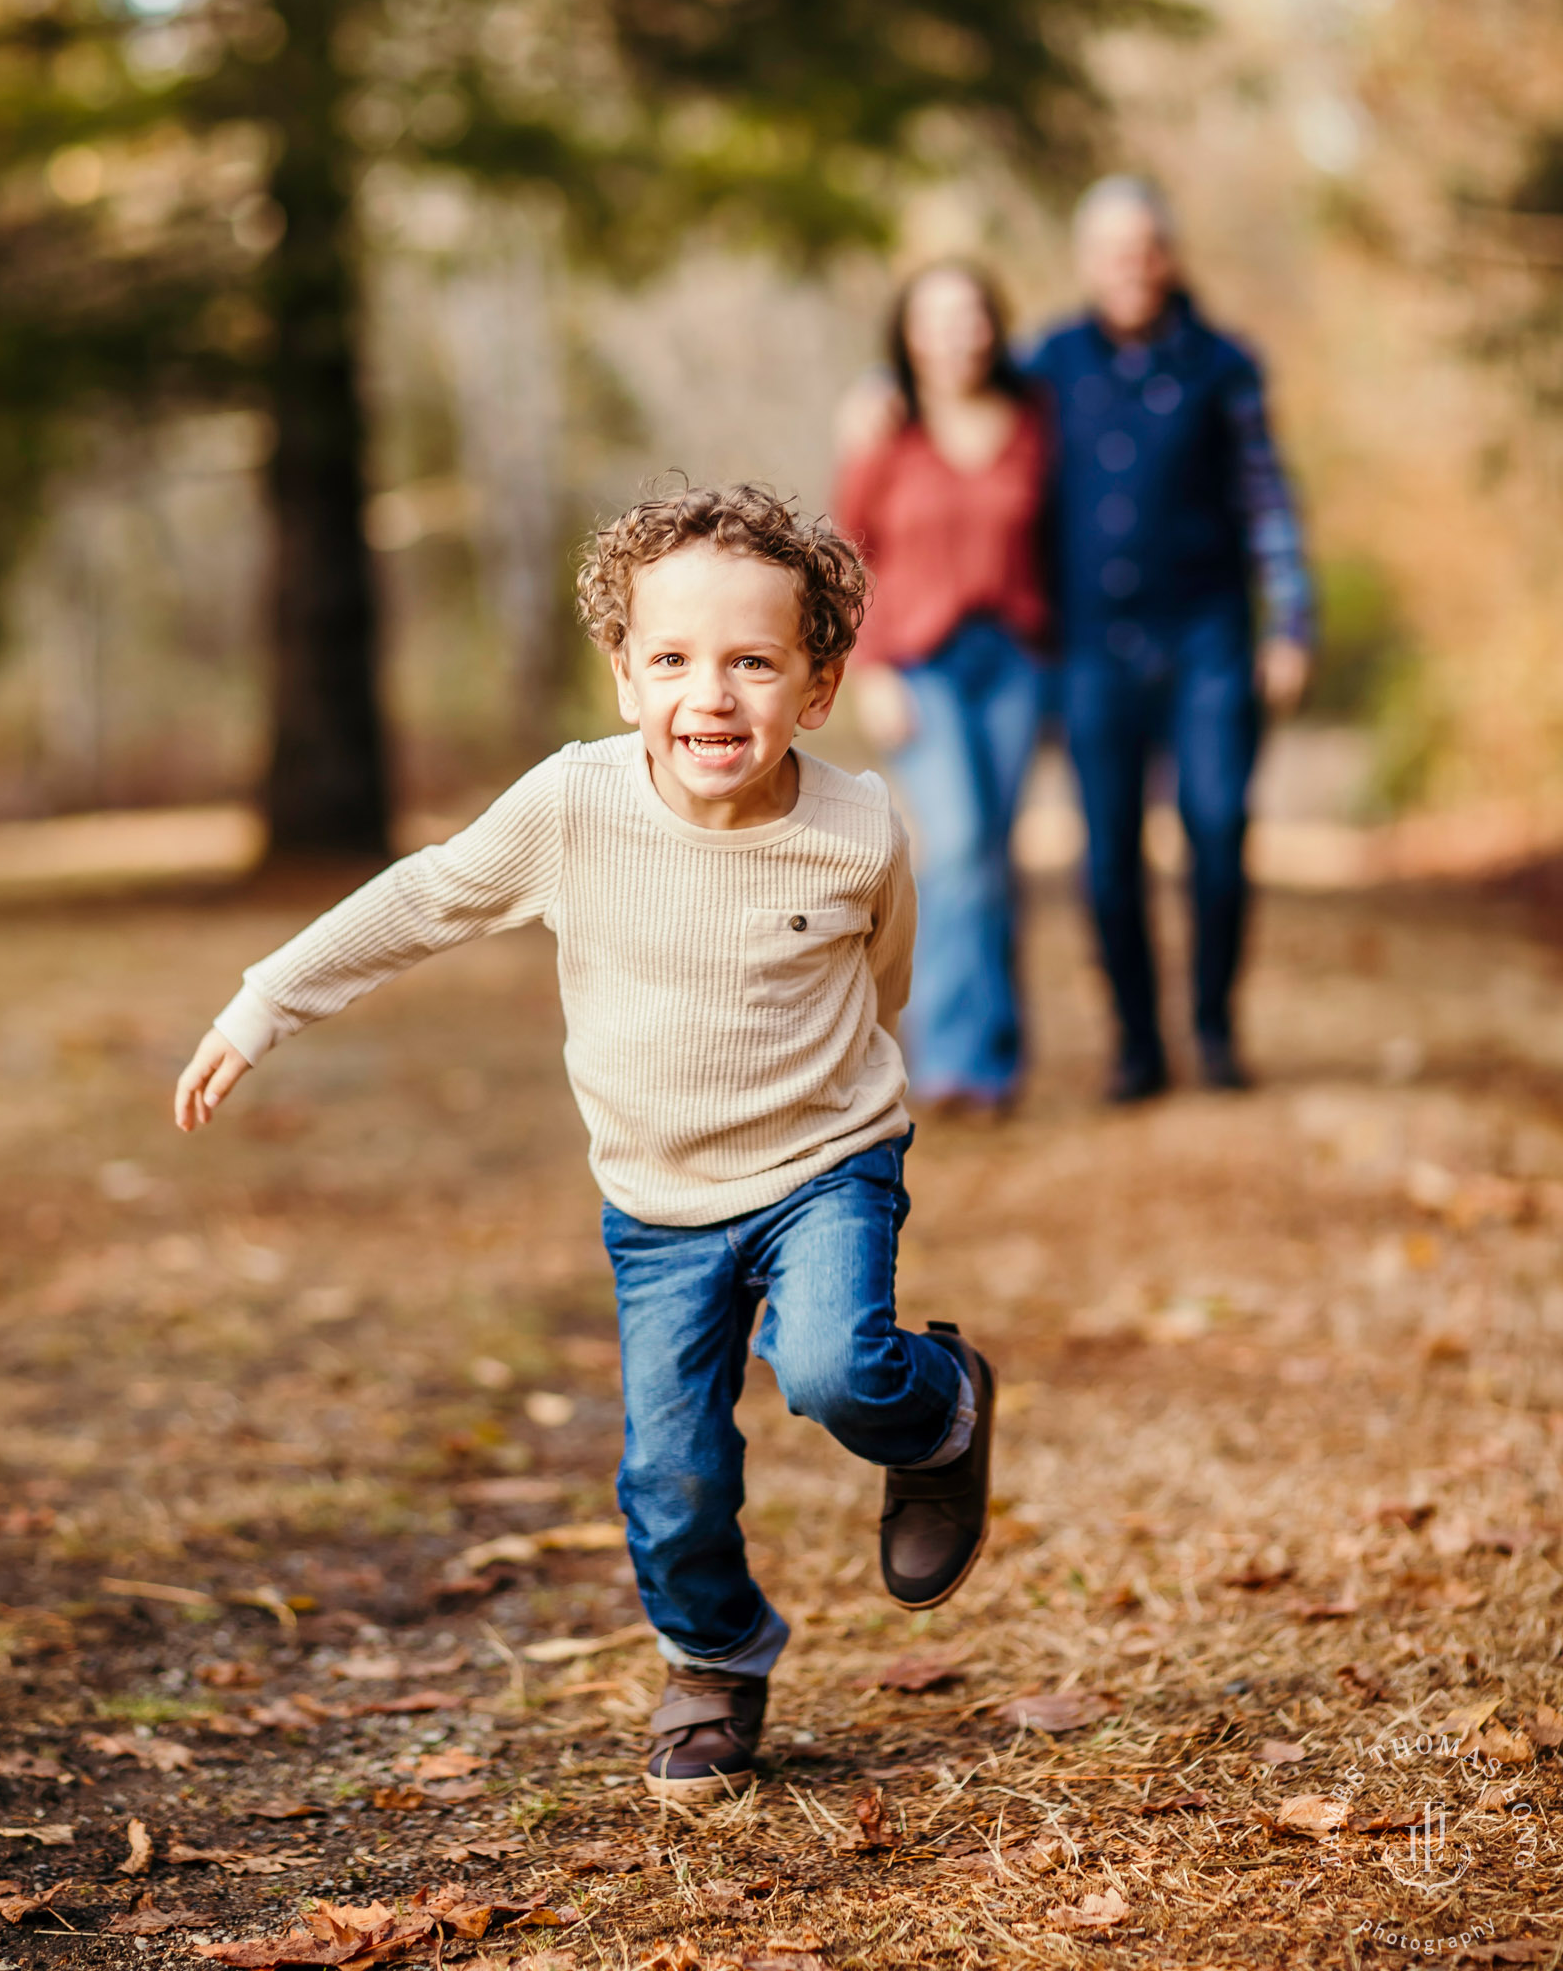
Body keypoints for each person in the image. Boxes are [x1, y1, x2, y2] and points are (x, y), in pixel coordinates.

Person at [172, 483, 995, 1805]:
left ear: (820, 684)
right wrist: (267, 999)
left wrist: (852, 1106)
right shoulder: (574, 809)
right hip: (660, 1205)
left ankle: (940, 1414)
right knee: (671, 1472)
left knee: (839, 1369)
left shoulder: (860, 828)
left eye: (751, 663)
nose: (709, 696)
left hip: (828, 1163)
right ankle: (715, 1661)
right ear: (623, 677)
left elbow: (879, 985)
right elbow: (427, 898)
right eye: (672, 660)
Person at [1021, 177, 1314, 1101]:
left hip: (1208, 638)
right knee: (1107, 853)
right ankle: (1138, 1044)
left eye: (1145, 249)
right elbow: (953, 397)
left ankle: (1216, 1028)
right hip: (1092, 644)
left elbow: (1266, 499)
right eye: (1113, 252)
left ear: (1169, 256)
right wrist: (883, 394)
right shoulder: (1047, 364)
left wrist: (1292, 621)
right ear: (1087, 263)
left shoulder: (1226, 364)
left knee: (1219, 828)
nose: (1131, 267)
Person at [831, 263, 1052, 1115]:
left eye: (971, 318)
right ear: (909, 335)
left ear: (993, 328)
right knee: (955, 848)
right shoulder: (885, 430)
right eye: (936, 320)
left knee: (993, 857)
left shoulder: (1035, 423)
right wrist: (869, 666)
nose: (956, 335)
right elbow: (846, 556)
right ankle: (955, 1059)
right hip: (920, 660)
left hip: (1016, 660)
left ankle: (998, 1059)